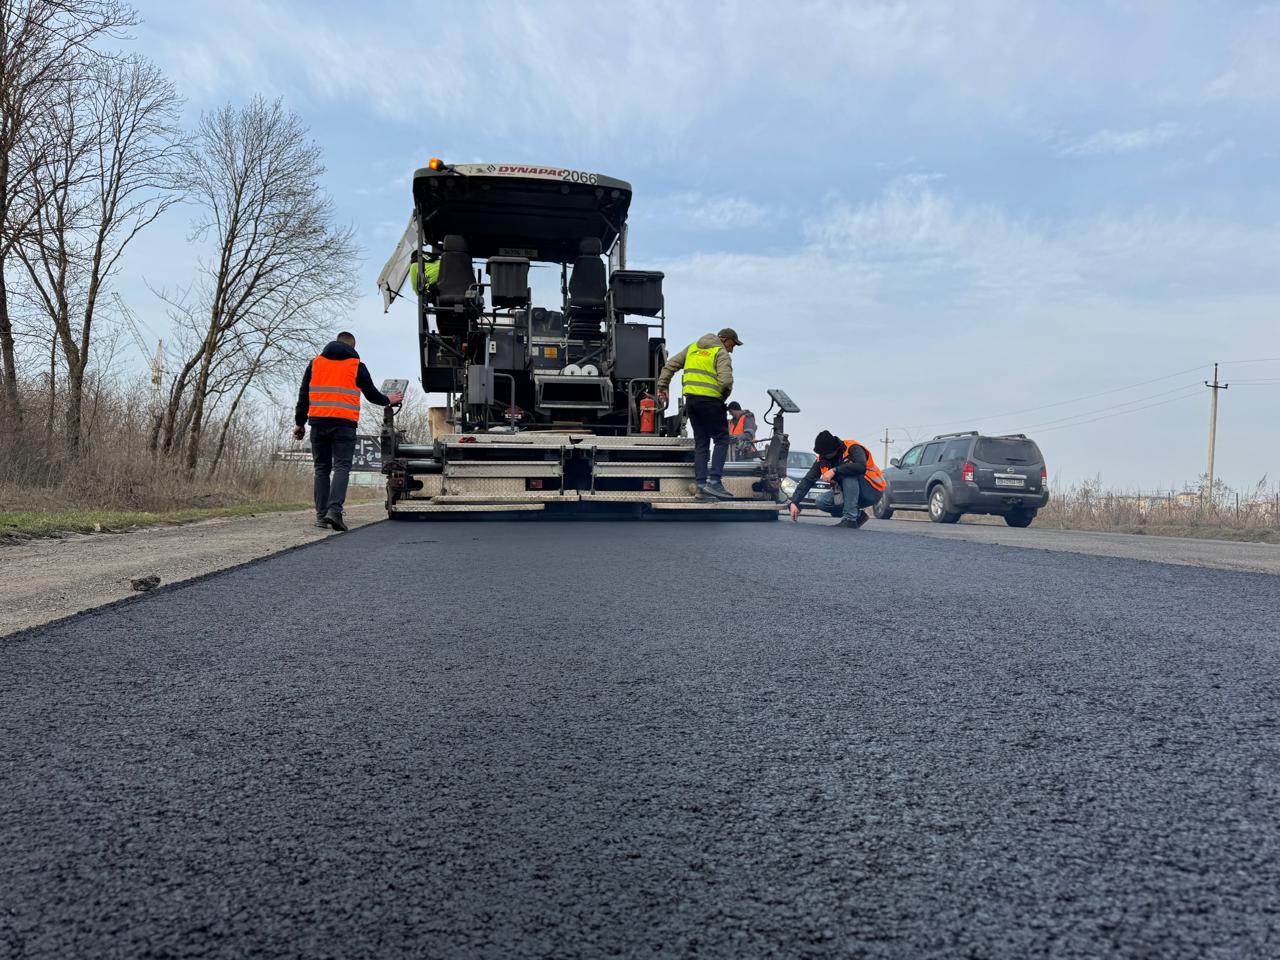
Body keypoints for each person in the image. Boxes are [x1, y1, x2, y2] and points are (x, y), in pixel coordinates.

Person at [292, 332, 404, 531]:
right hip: (344, 424)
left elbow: (303, 396)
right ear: (353, 347)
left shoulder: (315, 364)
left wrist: (299, 423)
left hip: (318, 423)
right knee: (342, 467)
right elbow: (372, 394)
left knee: (321, 469)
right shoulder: (356, 366)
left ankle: (321, 516)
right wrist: (389, 399)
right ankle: (334, 512)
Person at [656, 327, 743, 500]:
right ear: (724, 339)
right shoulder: (720, 352)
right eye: (732, 345)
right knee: (722, 439)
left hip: (692, 403)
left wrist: (662, 387)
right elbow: (726, 382)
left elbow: (670, 365)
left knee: (702, 443)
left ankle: (701, 487)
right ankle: (715, 482)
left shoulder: (692, 348)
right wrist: (722, 398)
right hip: (711, 402)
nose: (731, 350)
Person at [787, 430, 887, 529]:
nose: (824, 456)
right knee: (822, 501)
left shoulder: (852, 447)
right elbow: (808, 480)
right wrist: (794, 502)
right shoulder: (822, 459)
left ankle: (850, 519)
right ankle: (858, 515)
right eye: (822, 454)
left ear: (835, 448)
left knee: (848, 474)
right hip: (850, 493)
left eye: (826, 453)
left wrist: (834, 470)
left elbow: (861, 467)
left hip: (871, 491)